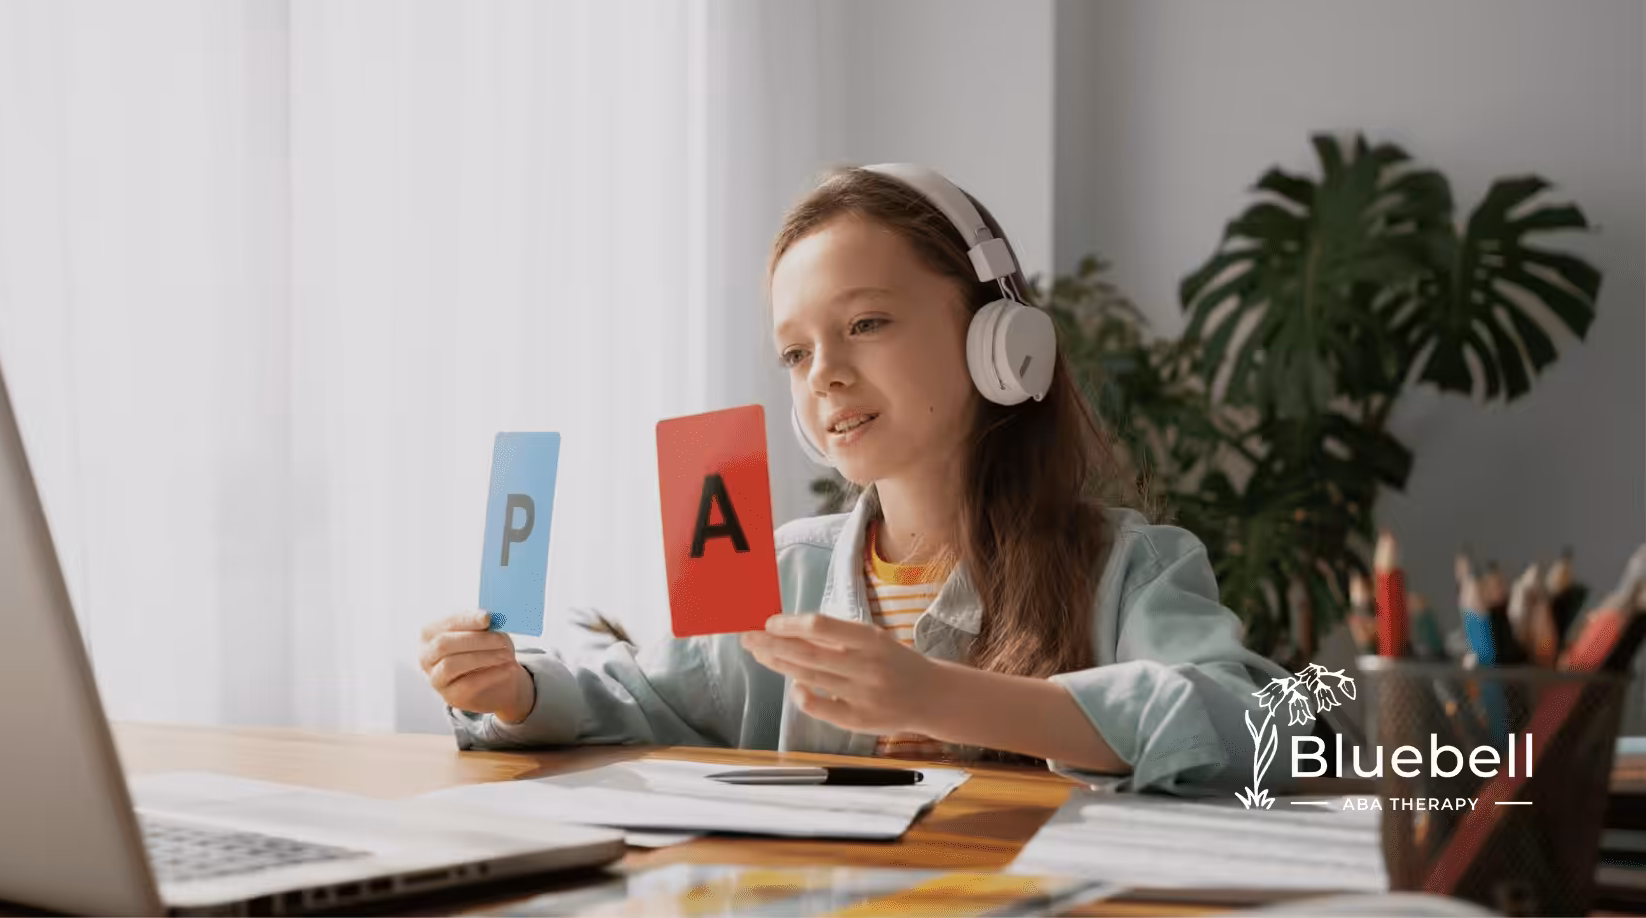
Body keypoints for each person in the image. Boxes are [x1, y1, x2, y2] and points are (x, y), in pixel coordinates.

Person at [417, 163, 1295, 796]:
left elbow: (1255, 724)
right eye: (795, 352)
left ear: (1000, 340)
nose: (823, 373)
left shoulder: (1130, 565)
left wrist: (944, 697)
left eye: (866, 322)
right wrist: (519, 693)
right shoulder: (775, 571)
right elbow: (644, 699)